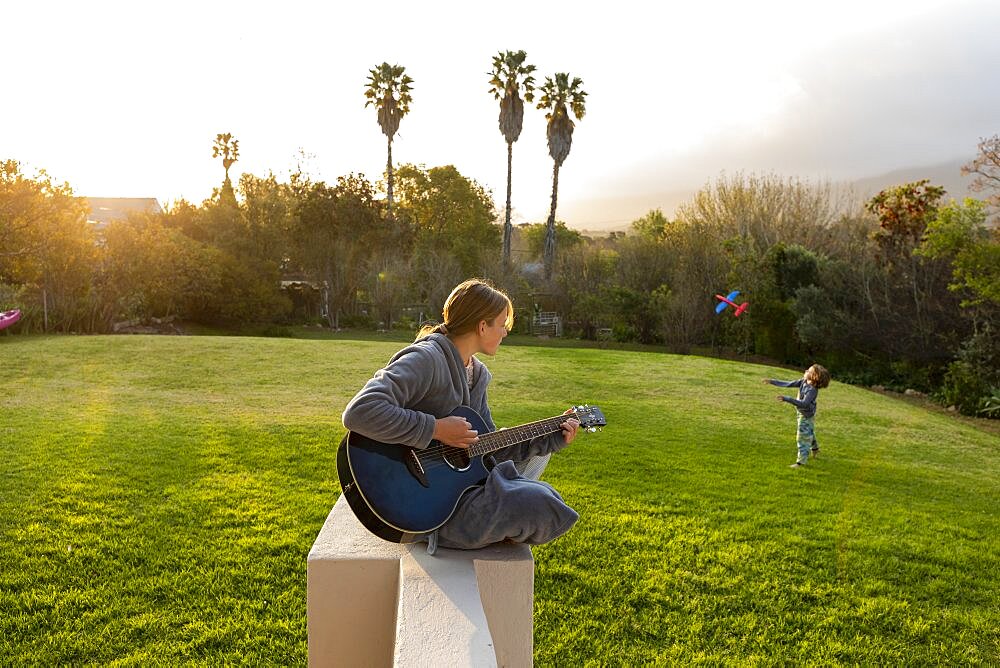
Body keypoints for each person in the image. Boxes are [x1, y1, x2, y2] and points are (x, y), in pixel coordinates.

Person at [342, 278, 581, 553]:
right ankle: (450, 531)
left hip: (458, 494)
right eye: (502, 324)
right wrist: (436, 429)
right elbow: (360, 411)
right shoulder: (426, 359)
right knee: (535, 504)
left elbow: (488, 450)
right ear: (482, 326)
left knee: (545, 497)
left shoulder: (476, 375)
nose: (505, 333)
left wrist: (553, 437)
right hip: (424, 505)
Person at [763, 364, 831, 468]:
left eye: (809, 371)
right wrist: (772, 381)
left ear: (813, 376)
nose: (805, 370)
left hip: (806, 415)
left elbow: (804, 404)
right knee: (808, 431)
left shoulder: (812, 390)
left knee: (802, 438)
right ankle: (815, 449)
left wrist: (787, 399)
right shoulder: (803, 381)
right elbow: (788, 384)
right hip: (801, 412)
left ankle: (800, 462)